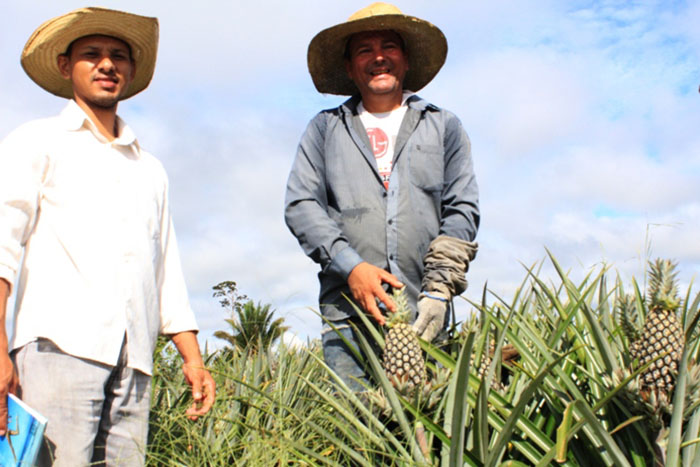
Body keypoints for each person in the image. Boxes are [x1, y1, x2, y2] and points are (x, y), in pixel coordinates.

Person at [0, 7, 215, 465]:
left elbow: (165, 271)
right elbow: (3, 247)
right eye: (92, 54)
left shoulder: (149, 168)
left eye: (118, 56)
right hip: (58, 348)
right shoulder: (37, 142)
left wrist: (193, 359)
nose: (107, 64)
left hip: (135, 360)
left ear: (131, 71)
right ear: (65, 66)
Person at [285, 2, 480, 391]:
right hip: (349, 318)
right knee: (358, 439)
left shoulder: (443, 127)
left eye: (389, 46)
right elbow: (301, 205)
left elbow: (461, 210)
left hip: (425, 312)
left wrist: (438, 291)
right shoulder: (325, 129)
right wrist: (351, 267)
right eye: (364, 49)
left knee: (427, 439)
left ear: (405, 60)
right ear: (350, 66)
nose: (378, 57)